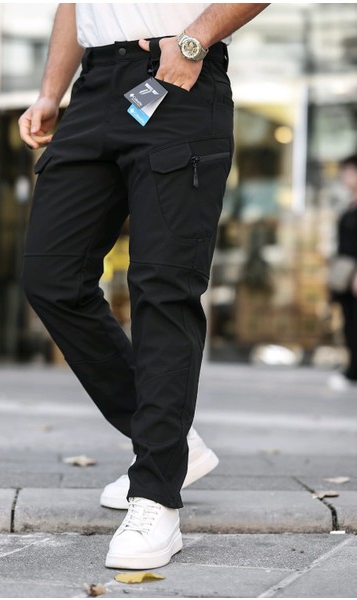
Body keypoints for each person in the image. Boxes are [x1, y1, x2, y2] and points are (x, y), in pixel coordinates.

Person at [19, 3, 269, 570]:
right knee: (52, 276)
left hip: (178, 73)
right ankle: (174, 442)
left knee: (163, 289)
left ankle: (156, 495)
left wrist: (193, 41)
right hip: (94, 88)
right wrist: (51, 92)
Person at [328, 154, 357, 392]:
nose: (344, 176)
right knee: (349, 322)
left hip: (354, 274)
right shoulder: (350, 204)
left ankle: (353, 372)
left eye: (349, 171)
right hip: (345, 274)